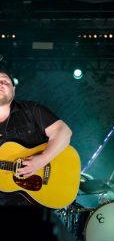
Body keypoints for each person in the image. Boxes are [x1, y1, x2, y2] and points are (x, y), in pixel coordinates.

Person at [0, 69, 73, 206]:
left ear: (13, 90)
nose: (0, 84)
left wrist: (42, 159)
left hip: (32, 202)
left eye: (5, 81)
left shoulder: (31, 110)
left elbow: (64, 132)